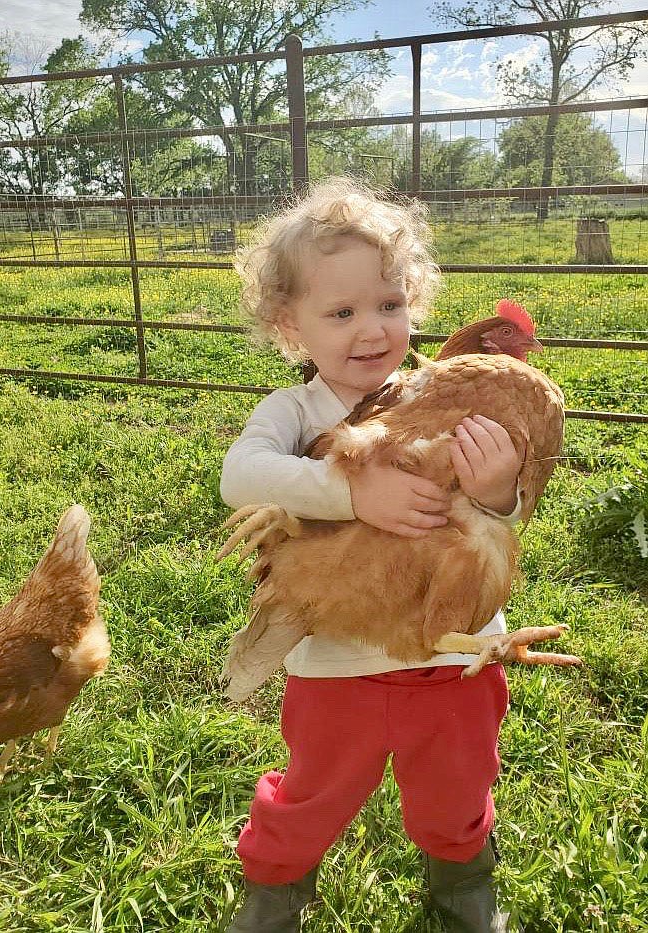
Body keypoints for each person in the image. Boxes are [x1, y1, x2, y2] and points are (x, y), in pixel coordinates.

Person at [219, 177, 522, 933]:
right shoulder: (293, 411)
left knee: (457, 781)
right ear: (291, 328)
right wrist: (351, 493)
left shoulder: (440, 395)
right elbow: (240, 475)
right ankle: (277, 884)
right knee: (313, 786)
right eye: (341, 312)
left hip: (452, 651)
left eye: (389, 305)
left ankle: (461, 880)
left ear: (413, 304)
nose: (370, 330)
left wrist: (497, 489)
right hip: (336, 664)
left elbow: (490, 521)